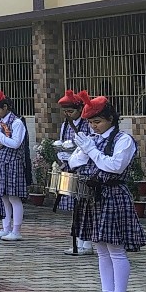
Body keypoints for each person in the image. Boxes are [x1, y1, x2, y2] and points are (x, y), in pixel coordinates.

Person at [70, 94, 146, 292]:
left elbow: (114, 166)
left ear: (110, 119)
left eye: (98, 122)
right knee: (101, 249)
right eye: (90, 123)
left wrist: (91, 151)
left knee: (116, 249)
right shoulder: (92, 139)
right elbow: (74, 162)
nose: (94, 127)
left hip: (113, 194)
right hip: (93, 195)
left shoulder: (123, 140)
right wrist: (85, 150)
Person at [54, 89, 93, 254]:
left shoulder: (87, 124)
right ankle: (78, 242)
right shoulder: (65, 125)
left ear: (80, 109)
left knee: (86, 206)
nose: (68, 114)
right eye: (65, 111)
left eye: (71, 111)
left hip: (85, 167)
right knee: (76, 207)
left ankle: (87, 244)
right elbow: (62, 142)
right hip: (70, 166)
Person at [0, 92, 29, 242]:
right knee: (3, 196)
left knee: (14, 197)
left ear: (5, 107)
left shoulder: (17, 123)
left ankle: (16, 230)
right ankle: (5, 228)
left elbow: (15, 143)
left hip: (13, 162)